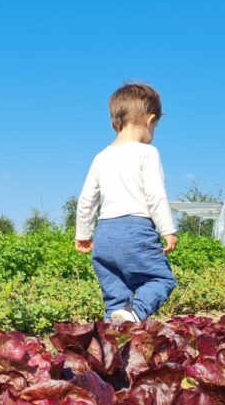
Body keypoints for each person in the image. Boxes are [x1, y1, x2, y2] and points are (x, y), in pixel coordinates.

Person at [75, 82, 177, 323]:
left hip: (104, 235)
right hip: (136, 230)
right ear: (151, 120)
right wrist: (168, 229)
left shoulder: (101, 156)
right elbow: (155, 194)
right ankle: (136, 313)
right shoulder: (147, 153)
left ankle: (112, 342)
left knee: (115, 296)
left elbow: (87, 200)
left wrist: (83, 233)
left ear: (115, 122)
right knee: (162, 280)